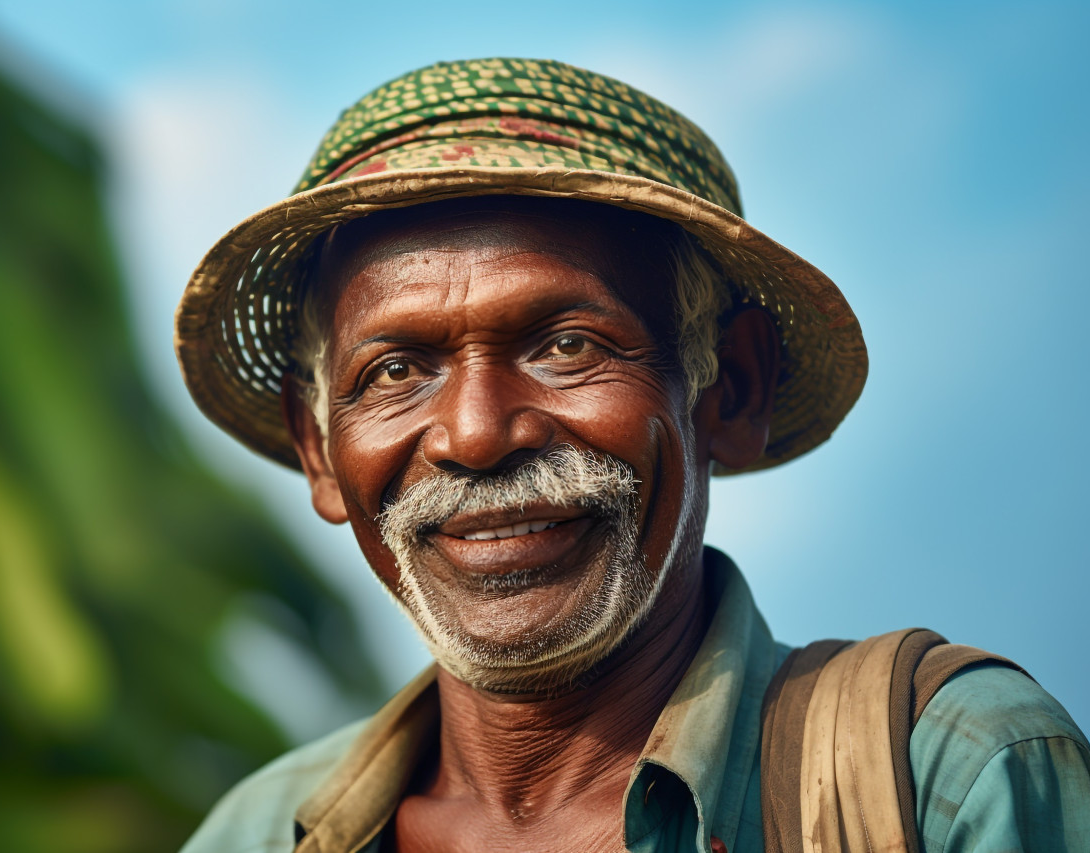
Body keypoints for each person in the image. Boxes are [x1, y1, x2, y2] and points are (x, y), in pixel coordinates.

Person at [173, 58, 1090, 852]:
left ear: (729, 388)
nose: (478, 434)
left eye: (568, 345)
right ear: (319, 449)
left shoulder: (948, 778)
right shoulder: (253, 834)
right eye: (396, 369)